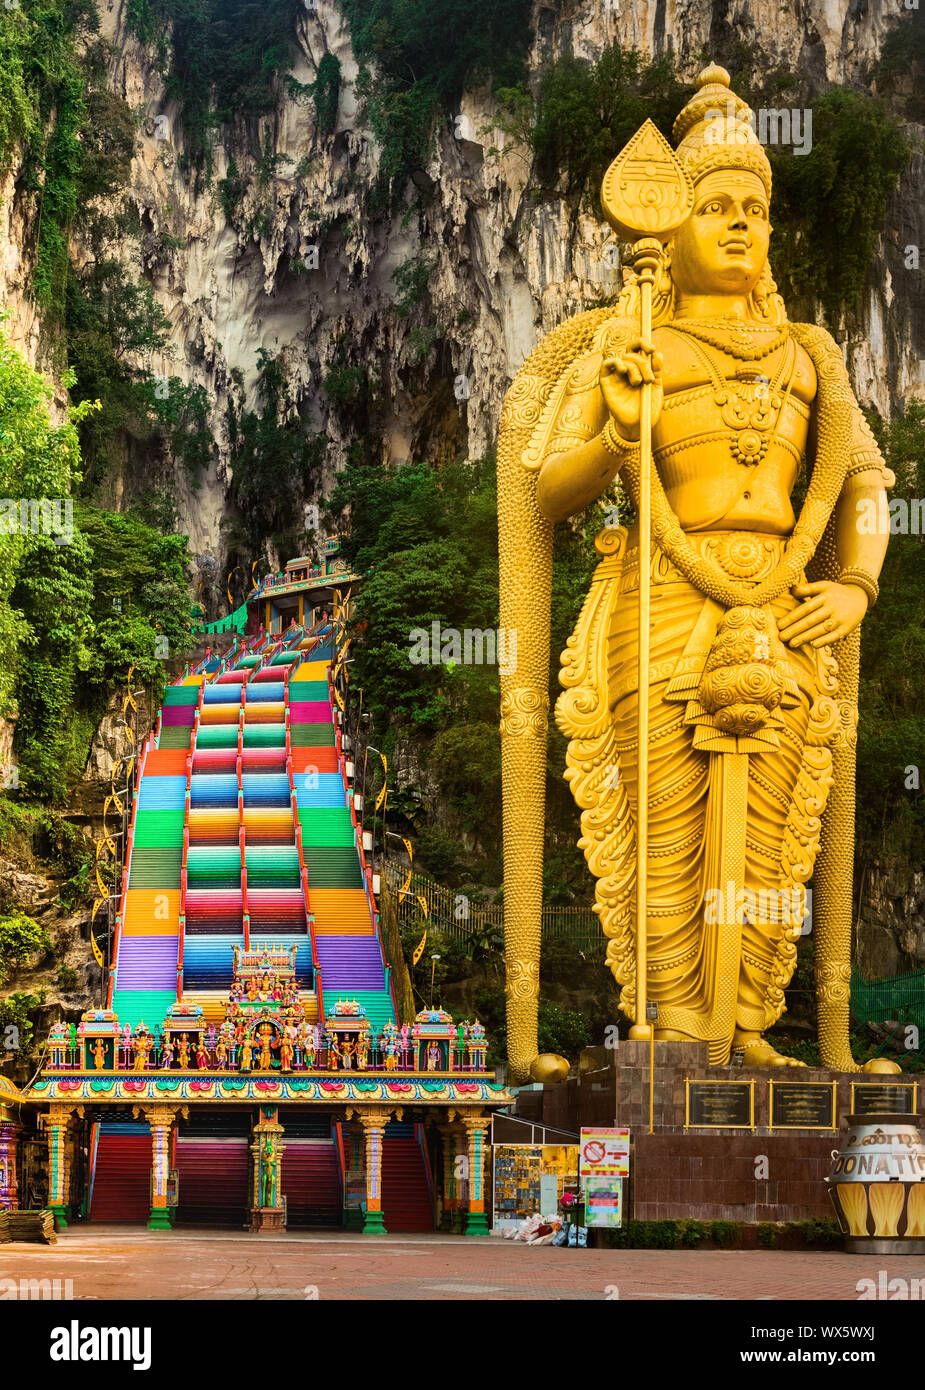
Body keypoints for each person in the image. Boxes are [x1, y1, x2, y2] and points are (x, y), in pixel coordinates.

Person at [498, 64, 894, 1076]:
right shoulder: (630, 342)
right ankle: (676, 1029)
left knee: (774, 829)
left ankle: (751, 1021)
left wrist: (851, 585)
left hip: (786, 603)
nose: (736, 225)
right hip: (660, 602)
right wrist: (617, 438)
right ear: (665, 227)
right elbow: (544, 488)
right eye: (712, 206)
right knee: (660, 824)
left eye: (753, 210)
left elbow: (862, 489)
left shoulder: (810, 354)